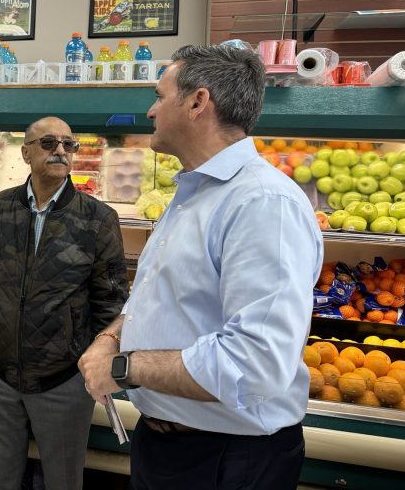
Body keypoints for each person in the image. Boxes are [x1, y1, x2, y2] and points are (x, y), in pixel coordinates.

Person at [78, 45, 323, 490]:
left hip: (228, 459)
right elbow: (160, 296)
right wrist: (110, 336)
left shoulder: (262, 203)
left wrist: (122, 368)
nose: (150, 111)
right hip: (166, 444)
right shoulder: (195, 191)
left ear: (197, 102)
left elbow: (255, 363)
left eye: (159, 95)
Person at [0, 116, 129, 490]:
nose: (60, 151)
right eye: (48, 143)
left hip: (64, 378)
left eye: (68, 144)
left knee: (63, 480)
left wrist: (91, 361)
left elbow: (111, 300)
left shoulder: (98, 219)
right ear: (25, 153)